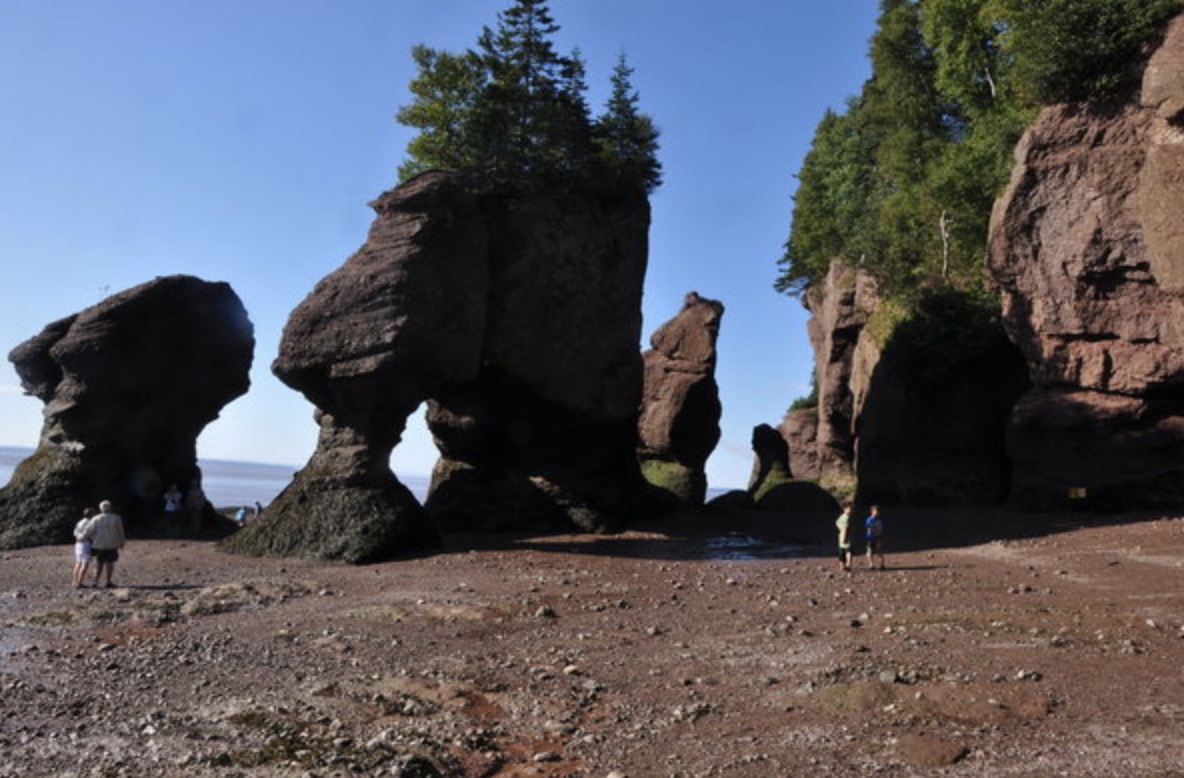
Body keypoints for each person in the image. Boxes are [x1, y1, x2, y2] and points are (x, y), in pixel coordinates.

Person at [89, 500, 126, 588]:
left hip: (99, 544)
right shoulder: (116, 518)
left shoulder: (95, 519)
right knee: (110, 563)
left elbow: (90, 531)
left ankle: (95, 581)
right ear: (110, 508)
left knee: (99, 563)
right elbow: (120, 532)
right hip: (112, 543)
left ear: (100, 508)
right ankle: (108, 581)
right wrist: (121, 543)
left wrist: (94, 539)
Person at [72, 506, 96, 588]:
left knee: (78, 563)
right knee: (84, 564)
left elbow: (75, 533)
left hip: (78, 543)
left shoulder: (79, 522)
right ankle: (79, 583)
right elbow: (91, 534)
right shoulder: (91, 523)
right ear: (91, 514)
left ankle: (75, 581)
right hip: (86, 543)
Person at [865, 504, 885, 570]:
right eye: (876, 511)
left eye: (878, 511)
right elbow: (869, 528)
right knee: (870, 551)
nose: (877, 512)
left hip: (877, 537)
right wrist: (869, 536)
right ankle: (871, 565)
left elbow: (880, 529)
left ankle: (881, 564)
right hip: (871, 537)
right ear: (872, 511)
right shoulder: (869, 520)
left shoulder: (879, 520)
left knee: (879, 551)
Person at [835, 504, 853, 572]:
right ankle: (846, 565)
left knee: (844, 551)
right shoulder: (846, 517)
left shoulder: (843, 516)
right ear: (845, 509)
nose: (850, 510)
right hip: (845, 536)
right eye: (849, 509)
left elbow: (836, 523)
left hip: (842, 536)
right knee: (847, 551)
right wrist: (843, 532)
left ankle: (845, 566)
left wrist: (840, 529)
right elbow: (845, 528)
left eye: (851, 509)